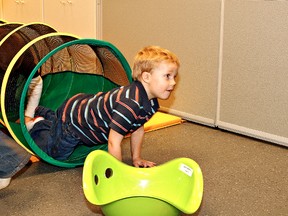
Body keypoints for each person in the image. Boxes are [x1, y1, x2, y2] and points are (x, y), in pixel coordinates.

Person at [25, 45, 180, 168]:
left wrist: (136, 158)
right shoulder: (129, 104)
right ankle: (37, 123)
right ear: (146, 77)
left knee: (57, 127)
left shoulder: (151, 102)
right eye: (167, 76)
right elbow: (113, 142)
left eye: (174, 77)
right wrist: (119, 173)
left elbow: (138, 128)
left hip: (84, 107)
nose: (173, 82)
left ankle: (48, 115)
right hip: (73, 122)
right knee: (55, 153)